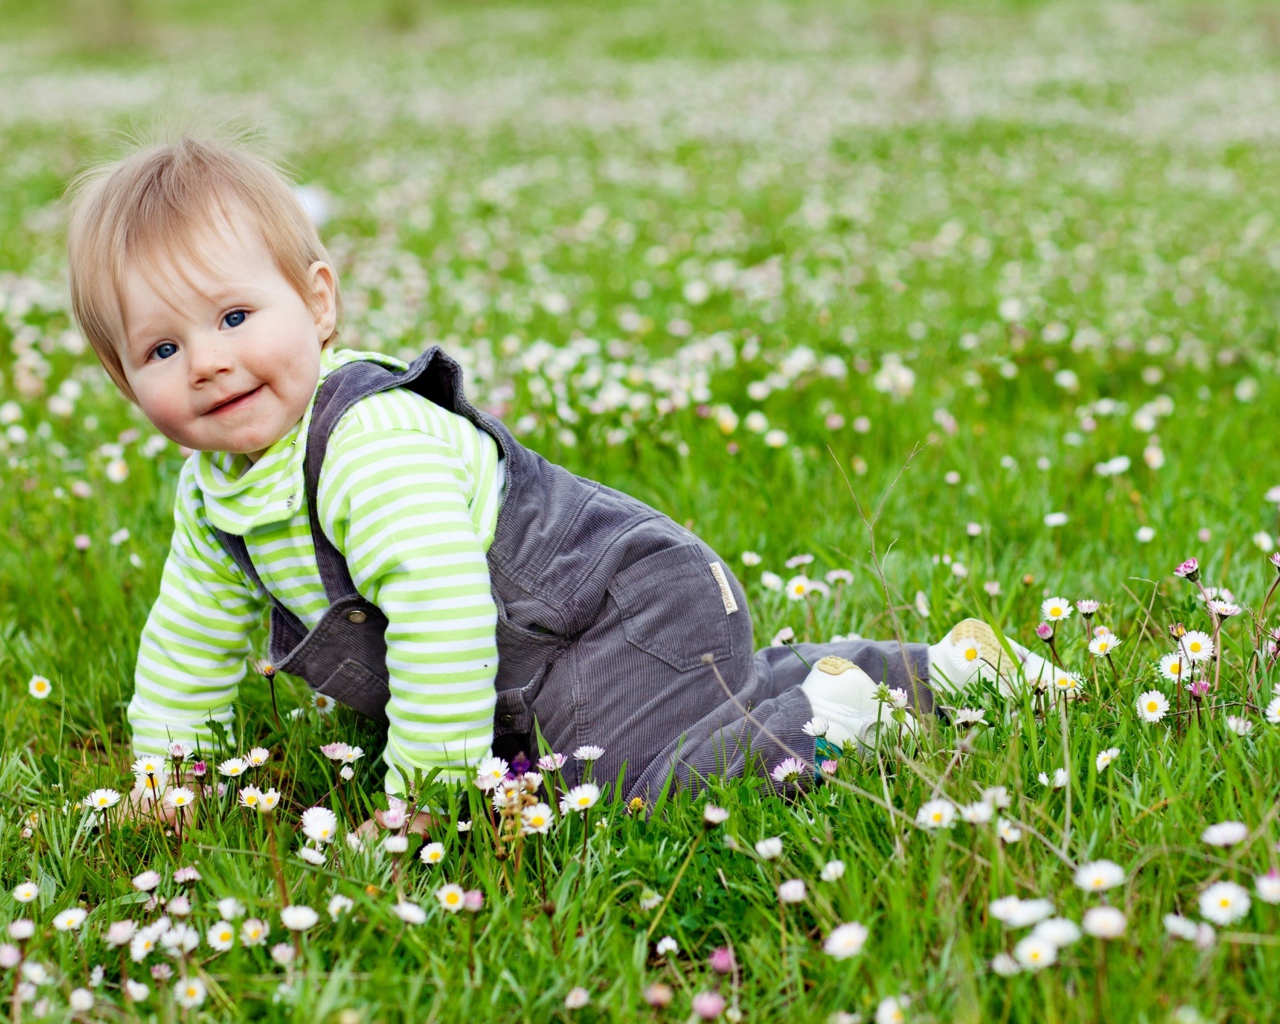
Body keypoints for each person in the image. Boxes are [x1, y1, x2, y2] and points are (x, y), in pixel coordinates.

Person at [66, 135, 1056, 825]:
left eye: (234, 317)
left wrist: (427, 796)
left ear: (316, 303)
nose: (208, 361)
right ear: (123, 380)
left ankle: (849, 712)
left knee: (645, 790)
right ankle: (943, 668)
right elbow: (188, 643)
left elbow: (445, 613)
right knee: (602, 756)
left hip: (616, 610)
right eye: (162, 347)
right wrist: (165, 778)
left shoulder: (368, 445)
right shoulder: (215, 496)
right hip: (539, 664)